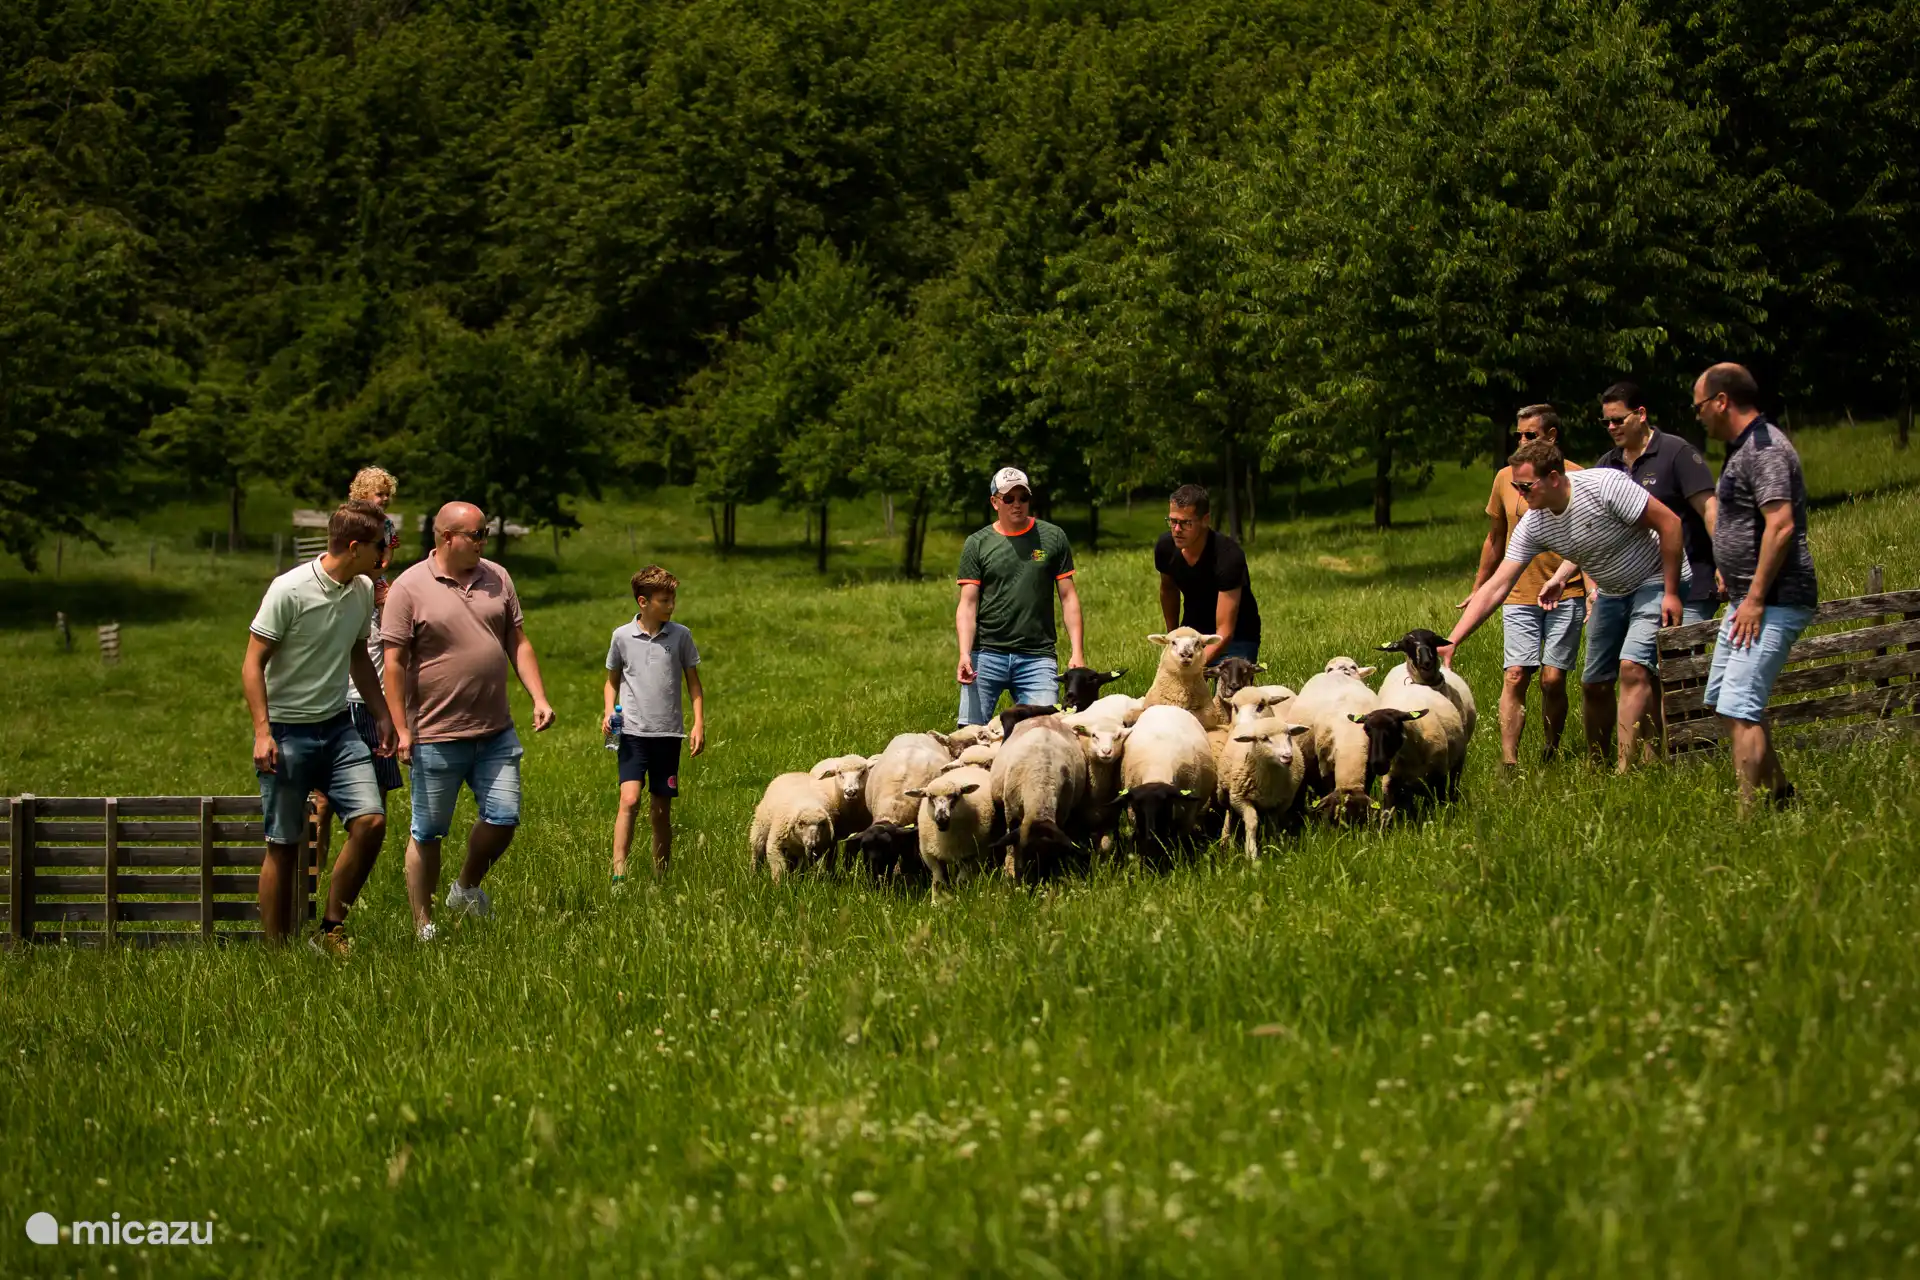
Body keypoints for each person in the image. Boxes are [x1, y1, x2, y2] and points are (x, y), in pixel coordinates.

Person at [1445, 439, 1688, 772]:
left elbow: (1671, 524)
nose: (1519, 494)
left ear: (1555, 478)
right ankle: (1598, 766)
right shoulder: (1535, 523)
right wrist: (1452, 640)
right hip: (1613, 589)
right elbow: (1498, 585)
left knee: (1632, 666)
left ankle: (1625, 771)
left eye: (1526, 486)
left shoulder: (1605, 486)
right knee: (1594, 683)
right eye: (1515, 486)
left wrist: (1672, 592)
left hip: (1656, 577)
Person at [381, 501, 556, 940]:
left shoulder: (497, 577)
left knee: (504, 817)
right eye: (475, 535)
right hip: (436, 733)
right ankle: (424, 923)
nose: (483, 542)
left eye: (484, 534)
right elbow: (394, 661)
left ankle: (465, 888)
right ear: (446, 538)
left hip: (495, 729)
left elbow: (518, 639)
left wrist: (538, 696)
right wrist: (400, 728)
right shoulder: (409, 587)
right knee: (428, 831)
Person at [240, 500, 396, 953]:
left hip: (339, 727)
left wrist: (382, 714)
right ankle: (277, 951)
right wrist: (263, 731)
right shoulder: (288, 590)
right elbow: (253, 664)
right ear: (353, 547)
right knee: (284, 845)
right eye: (377, 548)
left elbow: (358, 659)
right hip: (286, 733)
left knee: (370, 821)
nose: (382, 557)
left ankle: (330, 929)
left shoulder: (363, 589)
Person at [1694, 362, 1819, 811]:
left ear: (1722, 401)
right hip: (1749, 599)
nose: (1698, 416)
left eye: (1700, 406)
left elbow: (1781, 527)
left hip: (1774, 601)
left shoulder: (1764, 449)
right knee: (1726, 703)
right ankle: (1783, 796)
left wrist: (1757, 597)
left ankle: (1749, 816)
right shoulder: (1740, 448)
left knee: (1741, 708)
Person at [1459, 405, 1588, 767]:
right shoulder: (1505, 478)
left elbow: (1592, 539)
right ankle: (1509, 760)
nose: (1521, 440)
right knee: (1515, 675)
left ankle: (1551, 750)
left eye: (1530, 435)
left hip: (1567, 590)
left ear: (1551, 437)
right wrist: (1478, 587)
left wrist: (1591, 590)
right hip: (1517, 592)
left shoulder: (1576, 477)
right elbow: (1495, 538)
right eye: (1519, 434)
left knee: (1552, 679)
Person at [313, 467, 407, 863]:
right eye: (377, 493)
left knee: (375, 803)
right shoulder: (347, 522)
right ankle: (312, 875)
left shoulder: (387, 530)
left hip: (373, 601)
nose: (383, 500)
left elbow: (382, 566)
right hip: (341, 699)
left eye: (387, 495)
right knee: (321, 802)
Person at [954, 467, 1086, 727]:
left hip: (1037, 656)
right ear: (995, 502)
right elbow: (968, 604)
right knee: (968, 737)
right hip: (987, 654)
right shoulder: (977, 543)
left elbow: (1068, 597)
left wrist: (1077, 651)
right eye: (1009, 498)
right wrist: (964, 654)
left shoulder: (1052, 537)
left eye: (1023, 498)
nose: (1017, 504)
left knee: (1044, 731)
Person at [604, 564, 705, 884]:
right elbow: (611, 681)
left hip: (668, 735)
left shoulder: (681, 636)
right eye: (665, 600)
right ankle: (618, 873)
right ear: (643, 602)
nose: (671, 606)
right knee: (630, 799)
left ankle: (662, 876)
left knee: (660, 811)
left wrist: (698, 723)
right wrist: (609, 711)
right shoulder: (621, 636)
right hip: (632, 733)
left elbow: (694, 684)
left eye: (673, 599)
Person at [1595, 381, 1720, 623]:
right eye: (1606, 422)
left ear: (1641, 414)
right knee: (1639, 660)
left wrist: (1725, 564)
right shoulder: (1606, 465)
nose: (1611, 427)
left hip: (1692, 581)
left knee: (1682, 655)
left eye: (1618, 420)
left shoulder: (1677, 452)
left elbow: (1709, 509)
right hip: (1636, 587)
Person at [1155, 483, 1261, 666]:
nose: (1177, 530)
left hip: (1237, 637)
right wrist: (1173, 638)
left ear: (1205, 520)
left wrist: (1193, 668)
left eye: (1186, 523)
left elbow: (1225, 631)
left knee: (1230, 691)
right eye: (1173, 521)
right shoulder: (1165, 547)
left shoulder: (1228, 556)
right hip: (1192, 633)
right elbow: (1168, 589)